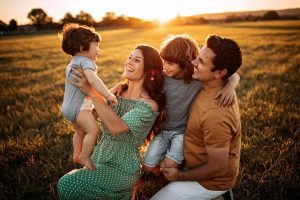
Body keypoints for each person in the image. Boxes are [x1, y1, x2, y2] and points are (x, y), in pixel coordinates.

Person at [57, 44, 166, 199]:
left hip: (122, 170)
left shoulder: (149, 105)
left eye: (137, 60)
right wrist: (76, 98)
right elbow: (91, 116)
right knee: (73, 187)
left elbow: (116, 127)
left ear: (150, 71)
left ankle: (123, 194)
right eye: (129, 57)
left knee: (67, 184)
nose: (129, 62)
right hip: (100, 159)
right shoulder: (117, 92)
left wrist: (92, 92)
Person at [150, 34, 242, 200]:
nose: (193, 63)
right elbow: (233, 75)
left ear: (220, 72)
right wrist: (231, 84)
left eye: (200, 61)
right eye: (197, 58)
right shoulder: (206, 84)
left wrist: (178, 176)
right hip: (189, 160)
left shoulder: (216, 113)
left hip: (209, 182)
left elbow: (217, 168)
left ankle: (220, 195)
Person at [59, 23, 117, 170]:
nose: (99, 50)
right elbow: (93, 80)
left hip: (67, 108)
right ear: (82, 48)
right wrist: (108, 95)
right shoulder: (86, 62)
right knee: (93, 130)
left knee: (79, 131)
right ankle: (85, 156)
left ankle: (77, 154)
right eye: (96, 45)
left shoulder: (73, 62)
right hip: (79, 109)